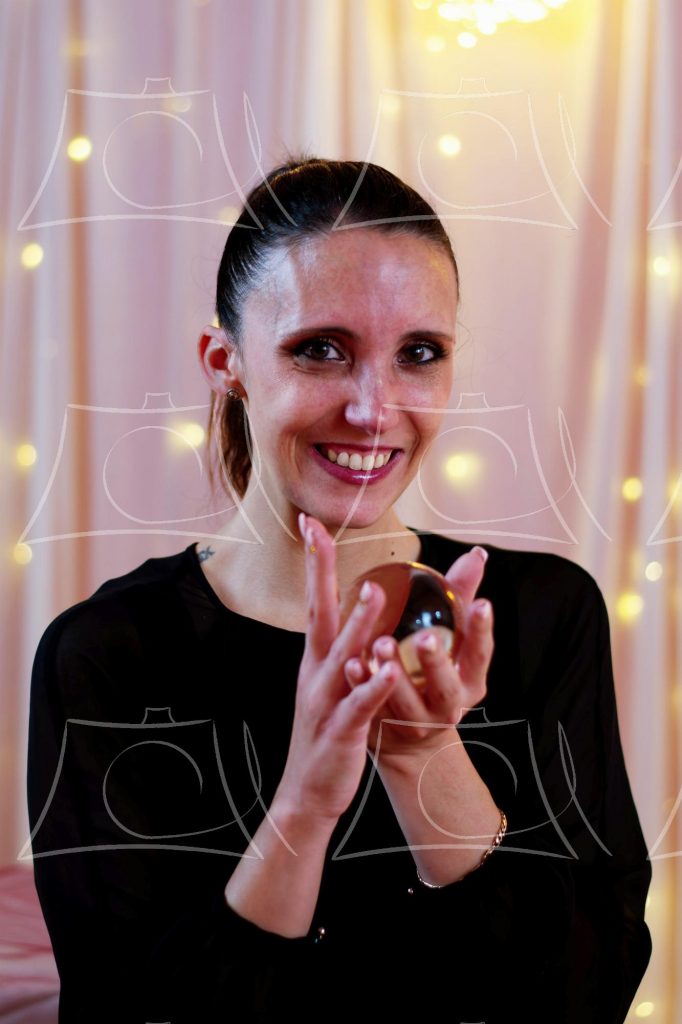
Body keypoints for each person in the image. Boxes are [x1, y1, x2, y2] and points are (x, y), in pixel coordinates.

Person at [27, 158, 652, 1023]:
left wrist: (423, 756)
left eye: (418, 354)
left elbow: (589, 996)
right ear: (225, 360)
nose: (373, 408)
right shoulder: (107, 652)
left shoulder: (543, 614)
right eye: (320, 349)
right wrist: (305, 804)